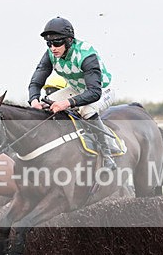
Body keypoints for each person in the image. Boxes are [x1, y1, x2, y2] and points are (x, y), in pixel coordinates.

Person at [28, 16, 117, 170]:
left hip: (102, 90)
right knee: (46, 105)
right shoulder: (50, 54)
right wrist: (34, 100)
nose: (52, 48)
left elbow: (94, 93)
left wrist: (66, 103)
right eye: (49, 43)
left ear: (69, 41)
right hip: (76, 89)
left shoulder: (85, 55)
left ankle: (107, 154)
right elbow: (36, 82)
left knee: (87, 110)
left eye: (57, 43)